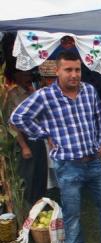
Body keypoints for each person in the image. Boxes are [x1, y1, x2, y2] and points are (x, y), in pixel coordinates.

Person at [10, 51, 101, 243]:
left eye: (77, 69)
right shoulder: (46, 96)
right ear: (57, 71)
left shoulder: (89, 91)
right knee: (73, 211)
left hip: (93, 161)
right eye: (68, 70)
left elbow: (100, 117)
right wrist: (44, 134)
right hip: (68, 166)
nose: (74, 74)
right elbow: (18, 117)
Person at [4, 69, 48, 207]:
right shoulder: (12, 95)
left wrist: (34, 91)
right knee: (28, 175)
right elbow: (12, 124)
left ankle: (40, 204)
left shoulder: (32, 91)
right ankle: (27, 207)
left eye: (29, 74)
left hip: (37, 137)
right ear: (17, 76)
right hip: (24, 140)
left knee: (41, 173)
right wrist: (24, 146)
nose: (29, 77)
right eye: (25, 74)